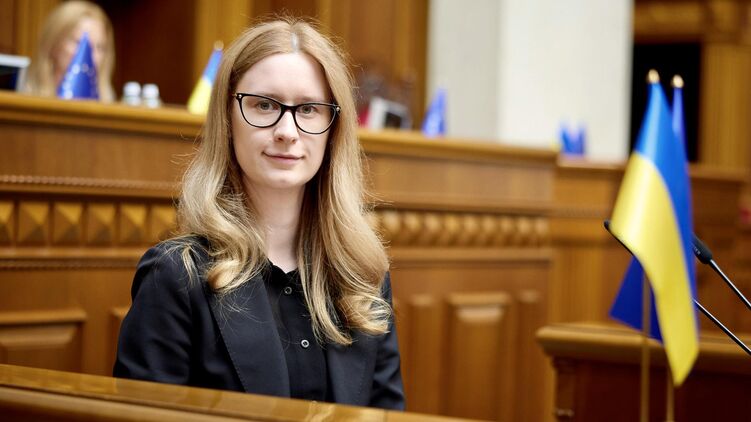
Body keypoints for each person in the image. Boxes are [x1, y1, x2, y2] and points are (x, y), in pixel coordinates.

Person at [113, 18, 405, 410]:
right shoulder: (175, 275)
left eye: (309, 109)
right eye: (264, 105)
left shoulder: (363, 273)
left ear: (333, 128)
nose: (287, 130)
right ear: (228, 118)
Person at [24, 1, 115, 101]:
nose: (90, 56)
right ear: (53, 43)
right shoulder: (22, 93)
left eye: (99, 47)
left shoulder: (111, 103)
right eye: (79, 43)